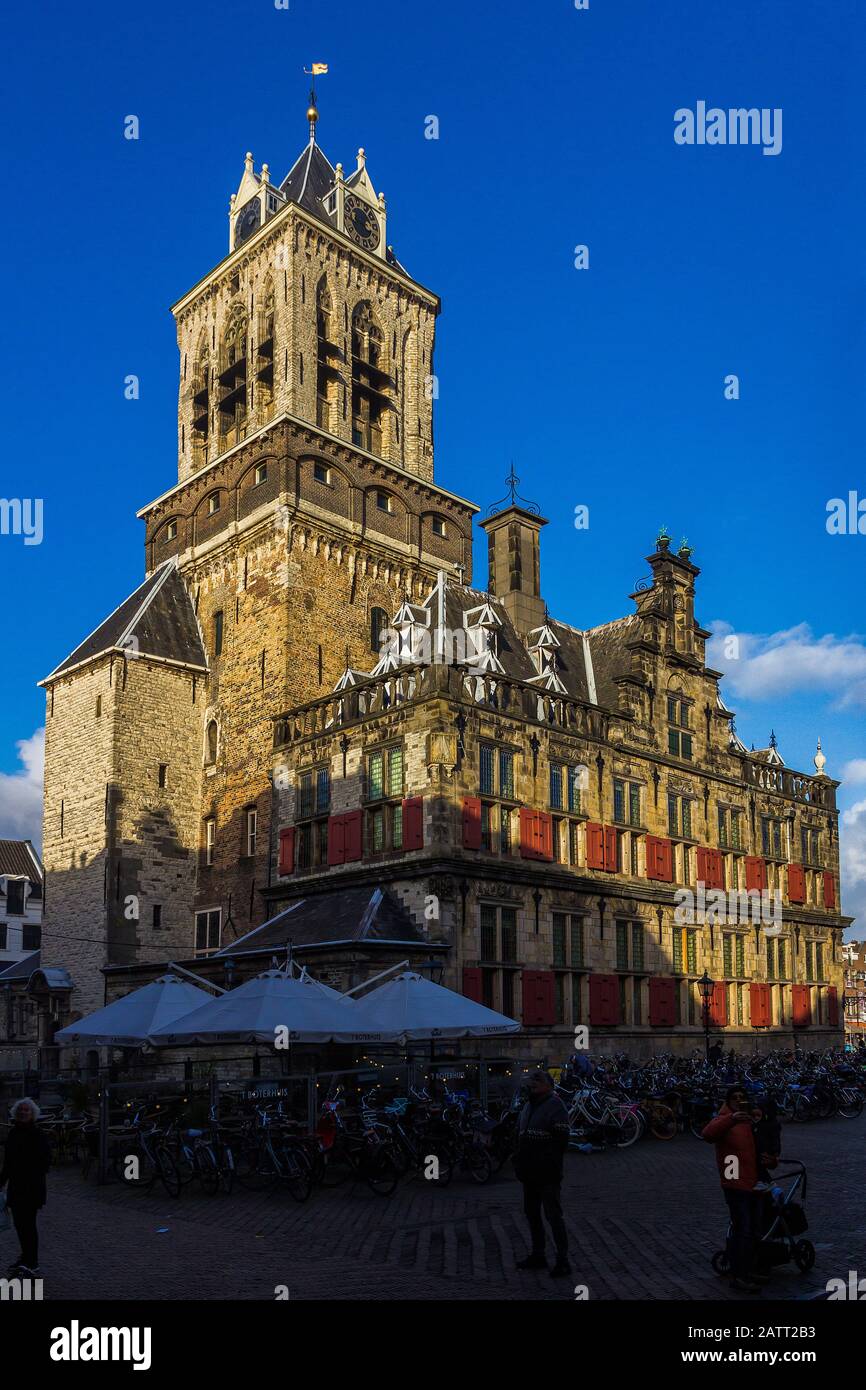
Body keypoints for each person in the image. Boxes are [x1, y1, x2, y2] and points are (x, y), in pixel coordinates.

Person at [702, 1086, 765, 1294]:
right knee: (742, 1230)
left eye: (742, 1097)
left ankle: (749, 1269)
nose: (739, 1100)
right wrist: (732, 1119)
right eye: (734, 1098)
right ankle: (739, 1275)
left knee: (753, 1229)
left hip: (752, 1180)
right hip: (735, 1181)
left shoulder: (748, 1121)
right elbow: (708, 1134)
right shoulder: (725, 1119)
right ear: (728, 1101)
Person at [514, 1070, 571, 1277]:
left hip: (547, 1172)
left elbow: (561, 1139)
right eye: (532, 1079)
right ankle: (538, 1254)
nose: (533, 1082)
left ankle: (563, 1260)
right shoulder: (528, 1106)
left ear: (549, 1085)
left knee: (553, 1216)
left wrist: (548, 1162)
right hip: (529, 1172)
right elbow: (519, 1135)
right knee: (532, 1214)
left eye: (539, 1079)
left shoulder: (556, 1106)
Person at [0, 1097, 51, 1278]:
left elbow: (45, 1162)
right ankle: (25, 1257)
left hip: (31, 1188)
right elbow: (8, 1162)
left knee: (28, 1225)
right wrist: (1, 1182)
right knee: (20, 1225)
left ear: (32, 1114)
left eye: (26, 1110)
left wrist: (28, 1171)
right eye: (20, 1110)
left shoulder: (38, 1135)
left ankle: (32, 1262)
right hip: (16, 1187)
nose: (23, 1113)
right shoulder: (14, 1133)